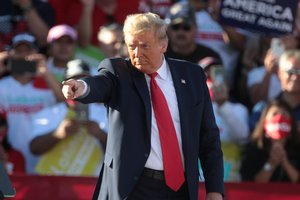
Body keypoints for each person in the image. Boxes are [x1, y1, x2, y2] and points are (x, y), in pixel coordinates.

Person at [62, 12, 224, 200]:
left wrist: (214, 190)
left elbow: (209, 137)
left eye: (144, 46)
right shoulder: (118, 72)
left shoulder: (192, 75)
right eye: (132, 46)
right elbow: (99, 84)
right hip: (133, 188)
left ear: (163, 45)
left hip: (181, 189)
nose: (137, 53)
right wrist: (81, 87)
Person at [28, 59, 107, 176]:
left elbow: (120, 153)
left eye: (85, 80)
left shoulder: (106, 114)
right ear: (63, 85)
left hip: (90, 186)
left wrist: (101, 136)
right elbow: (34, 149)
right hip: (51, 184)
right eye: (74, 80)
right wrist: (57, 134)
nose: (79, 84)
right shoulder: (49, 113)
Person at [199, 57, 249, 181]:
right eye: (207, 77)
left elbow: (243, 136)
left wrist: (223, 105)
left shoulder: (239, 109)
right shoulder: (190, 109)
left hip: (230, 179)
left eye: (216, 75)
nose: (212, 81)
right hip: (199, 180)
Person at [240, 99, 300, 182]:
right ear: (265, 121)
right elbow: (251, 183)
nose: (279, 118)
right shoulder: (254, 150)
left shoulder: (297, 149)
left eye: (284, 114)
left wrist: (285, 162)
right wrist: (271, 163)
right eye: (275, 114)